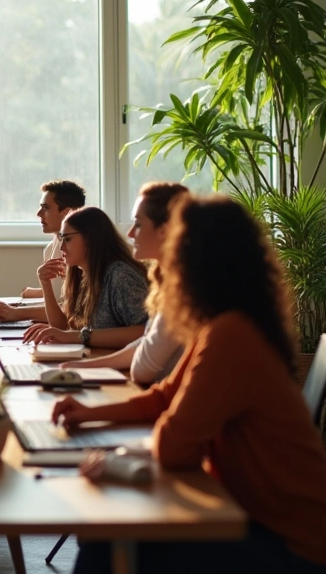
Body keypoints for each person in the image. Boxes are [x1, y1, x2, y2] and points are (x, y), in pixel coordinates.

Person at [54, 195, 326, 574]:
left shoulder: (231, 335)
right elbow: (164, 397)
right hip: (254, 518)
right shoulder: (220, 325)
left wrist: (120, 457)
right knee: (107, 531)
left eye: (175, 247)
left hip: (290, 546)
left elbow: (175, 446)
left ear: (198, 260)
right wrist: (90, 413)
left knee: (107, 536)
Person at [59, 182, 186, 384]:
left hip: (151, 389)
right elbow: (146, 341)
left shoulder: (123, 277)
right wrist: (85, 366)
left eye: (138, 224)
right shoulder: (167, 286)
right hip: (149, 387)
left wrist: (81, 342)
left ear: (163, 231)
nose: (129, 233)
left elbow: (143, 367)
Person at [23, 206, 148, 350]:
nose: (61, 247)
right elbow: (62, 325)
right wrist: (46, 284)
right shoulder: (81, 273)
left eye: (67, 239)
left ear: (91, 238)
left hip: (122, 367)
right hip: (98, 359)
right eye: (61, 239)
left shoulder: (121, 277)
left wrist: (76, 336)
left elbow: (145, 331)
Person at [0, 179, 85, 323]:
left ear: (66, 212)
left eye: (46, 208)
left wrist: (17, 312)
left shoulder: (77, 251)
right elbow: (61, 295)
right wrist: (33, 293)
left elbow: (72, 310)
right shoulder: (52, 247)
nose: (39, 213)